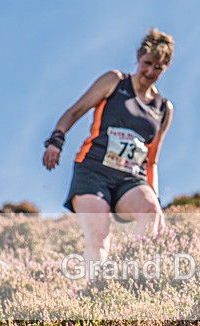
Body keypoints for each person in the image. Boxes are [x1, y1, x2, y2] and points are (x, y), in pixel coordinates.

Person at [42, 29, 174, 279]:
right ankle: (95, 290)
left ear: (166, 67)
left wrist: (153, 196)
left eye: (158, 68)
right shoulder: (114, 81)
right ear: (138, 57)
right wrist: (56, 140)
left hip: (129, 178)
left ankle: (134, 280)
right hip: (94, 171)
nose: (150, 72)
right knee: (98, 235)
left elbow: (152, 159)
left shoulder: (164, 109)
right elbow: (74, 111)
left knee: (152, 215)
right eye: (147, 64)